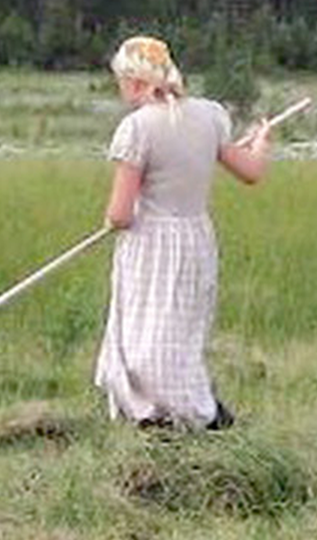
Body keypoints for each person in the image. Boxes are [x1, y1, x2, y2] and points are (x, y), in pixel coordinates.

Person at [94, 35, 276, 429]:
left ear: (135, 81)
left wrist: (111, 221)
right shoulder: (209, 116)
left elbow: (121, 215)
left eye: (121, 81)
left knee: (144, 335)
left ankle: (171, 414)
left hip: (150, 245)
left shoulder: (137, 128)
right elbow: (250, 171)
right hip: (195, 239)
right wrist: (261, 143)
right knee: (180, 334)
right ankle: (176, 414)